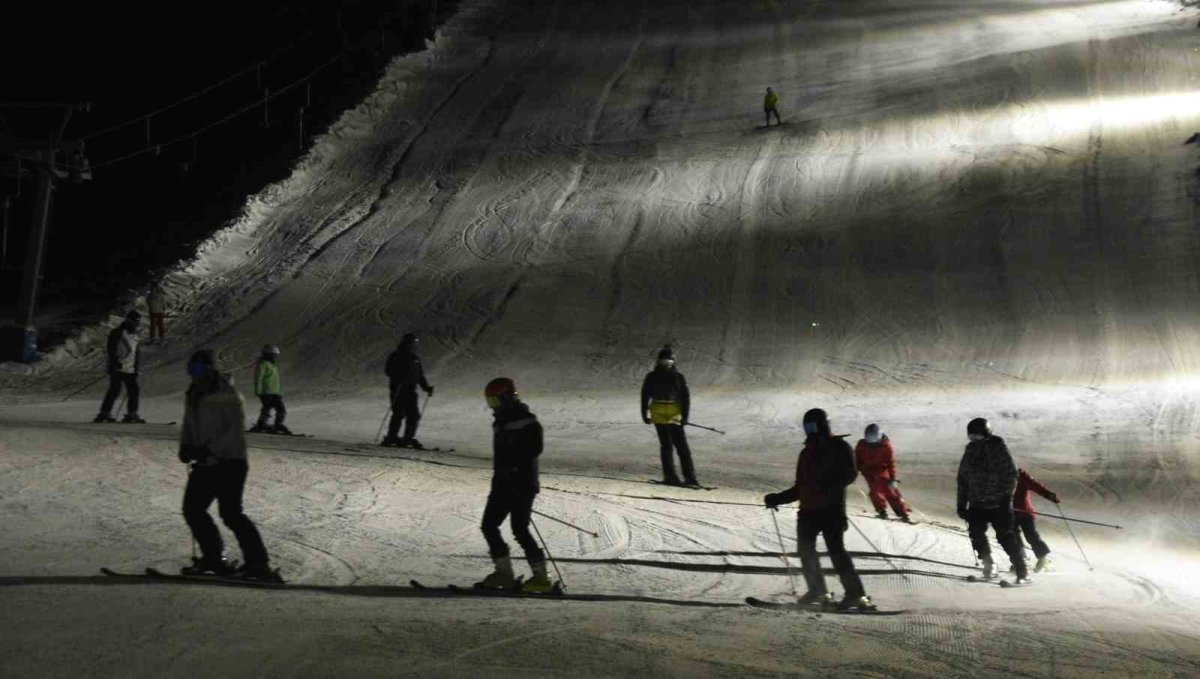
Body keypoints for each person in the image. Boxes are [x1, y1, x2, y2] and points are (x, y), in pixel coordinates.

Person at [178, 349, 279, 581]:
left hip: (230, 462)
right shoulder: (193, 393)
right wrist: (186, 447)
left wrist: (210, 451)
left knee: (231, 513)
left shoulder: (227, 394)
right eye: (191, 370)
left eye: (198, 369)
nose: (193, 374)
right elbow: (189, 425)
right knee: (193, 509)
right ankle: (213, 557)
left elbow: (232, 431)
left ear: (210, 368)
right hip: (206, 463)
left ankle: (258, 563)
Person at [764, 408, 875, 611]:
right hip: (808, 511)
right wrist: (777, 499)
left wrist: (827, 484)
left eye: (812, 426)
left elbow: (850, 474)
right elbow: (800, 487)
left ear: (823, 425)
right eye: (807, 427)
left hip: (831, 509)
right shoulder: (806, 453)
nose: (810, 431)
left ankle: (856, 595)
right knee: (805, 551)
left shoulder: (839, 447)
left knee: (836, 552)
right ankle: (818, 590)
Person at [477, 377, 555, 593]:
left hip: (523, 483)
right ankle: (504, 573)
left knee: (520, 529)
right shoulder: (500, 422)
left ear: (507, 397)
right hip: (502, 483)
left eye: (496, 401)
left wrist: (515, 467)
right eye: (490, 402)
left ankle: (541, 578)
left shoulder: (527, 421)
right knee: (489, 526)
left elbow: (535, 449)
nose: (494, 407)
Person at [957, 417, 1029, 582]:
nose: (974, 439)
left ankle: (1022, 570)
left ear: (986, 434)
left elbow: (1011, 474)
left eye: (977, 436)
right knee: (976, 534)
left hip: (998, 503)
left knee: (1005, 536)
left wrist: (1006, 497)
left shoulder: (998, 447)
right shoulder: (970, 451)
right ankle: (989, 563)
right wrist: (962, 504)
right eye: (971, 436)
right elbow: (963, 479)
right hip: (977, 502)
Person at [640, 345, 699, 487]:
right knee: (667, 446)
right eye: (664, 361)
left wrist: (685, 416)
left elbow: (685, 398)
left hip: (673, 414)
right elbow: (645, 395)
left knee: (680, 447)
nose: (667, 363)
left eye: (669, 361)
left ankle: (689, 478)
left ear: (673, 362)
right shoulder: (653, 377)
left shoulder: (677, 377)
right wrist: (644, 413)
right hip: (660, 413)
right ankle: (672, 476)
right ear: (659, 361)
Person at [382, 332, 434, 448]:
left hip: (411, 390)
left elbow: (420, 376)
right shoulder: (396, 356)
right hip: (398, 389)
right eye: (410, 343)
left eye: (414, 344)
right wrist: (398, 377)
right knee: (399, 413)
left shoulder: (415, 358)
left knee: (414, 415)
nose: (412, 346)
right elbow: (388, 370)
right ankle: (392, 437)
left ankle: (408, 438)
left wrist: (426, 388)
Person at [855, 423, 912, 523]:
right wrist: (855, 469)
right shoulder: (862, 445)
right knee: (875, 492)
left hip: (882, 471)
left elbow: (891, 463)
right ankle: (882, 511)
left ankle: (903, 513)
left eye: (874, 442)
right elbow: (856, 459)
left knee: (891, 491)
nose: (872, 445)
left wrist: (893, 479)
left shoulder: (886, 446)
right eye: (870, 442)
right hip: (868, 471)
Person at [95, 310, 144, 423]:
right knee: (115, 390)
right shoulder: (118, 332)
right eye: (134, 321)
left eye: (138, 322)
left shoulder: (135, 336)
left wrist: (136, 367)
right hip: (117, 367)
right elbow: (111, 349)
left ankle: (132, 413)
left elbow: (136, 353)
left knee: (134, 390)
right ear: (128, 320)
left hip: (130, 368)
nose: (136, 324)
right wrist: (114, 362)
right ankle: (104, 413)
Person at [1013, 468, 1059, 573]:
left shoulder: (1020, 474)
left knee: (1031, 536)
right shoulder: (997, 475)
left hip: (1025, 512)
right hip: (1009, 513)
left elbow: (1035, 485)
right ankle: (1021, 560)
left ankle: (1042, 558)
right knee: (1013, 537)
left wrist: (1049, 495)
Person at [249, 344, 289, 434]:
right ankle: (261, 425)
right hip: (266, 392)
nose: (275, 357)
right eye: (273, 355)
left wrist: (279, 392)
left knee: (281, 409)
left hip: (275, 392)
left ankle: (277, 424)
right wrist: (258, 391)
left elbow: (275, 380)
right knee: (267, 409)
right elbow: (258, 378)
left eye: (276, 355)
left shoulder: (272, 365)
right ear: (267, 354)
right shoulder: (263, 364)